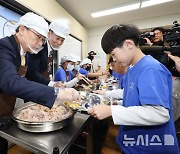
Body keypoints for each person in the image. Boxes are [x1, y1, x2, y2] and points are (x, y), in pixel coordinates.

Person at [88, 24, 179, 153]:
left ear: (128, 44)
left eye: (114, 54)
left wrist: (111, 111)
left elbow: (159, 113)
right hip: (134, 143)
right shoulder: (132, 69)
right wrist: (115, 102)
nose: (114, 59)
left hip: (151, 147)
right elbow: (133, 97)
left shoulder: (150, 68)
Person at [0, 12, 79, 154]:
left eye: (43, 39)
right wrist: (56, 92)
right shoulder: (4, 47)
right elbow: (10, 82)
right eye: (38, 37)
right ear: (22, 30)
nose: (40, 43)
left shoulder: (21, 51)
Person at [26, 20, 70, 86]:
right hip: (31, 85)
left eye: (62, 40)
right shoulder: (39, 46)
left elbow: (45, 67)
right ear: (49, 34)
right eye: (57, 38)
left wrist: (49, 76)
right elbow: (33, 72)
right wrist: (52, 83)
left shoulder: (51, 50)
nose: (59, 43)